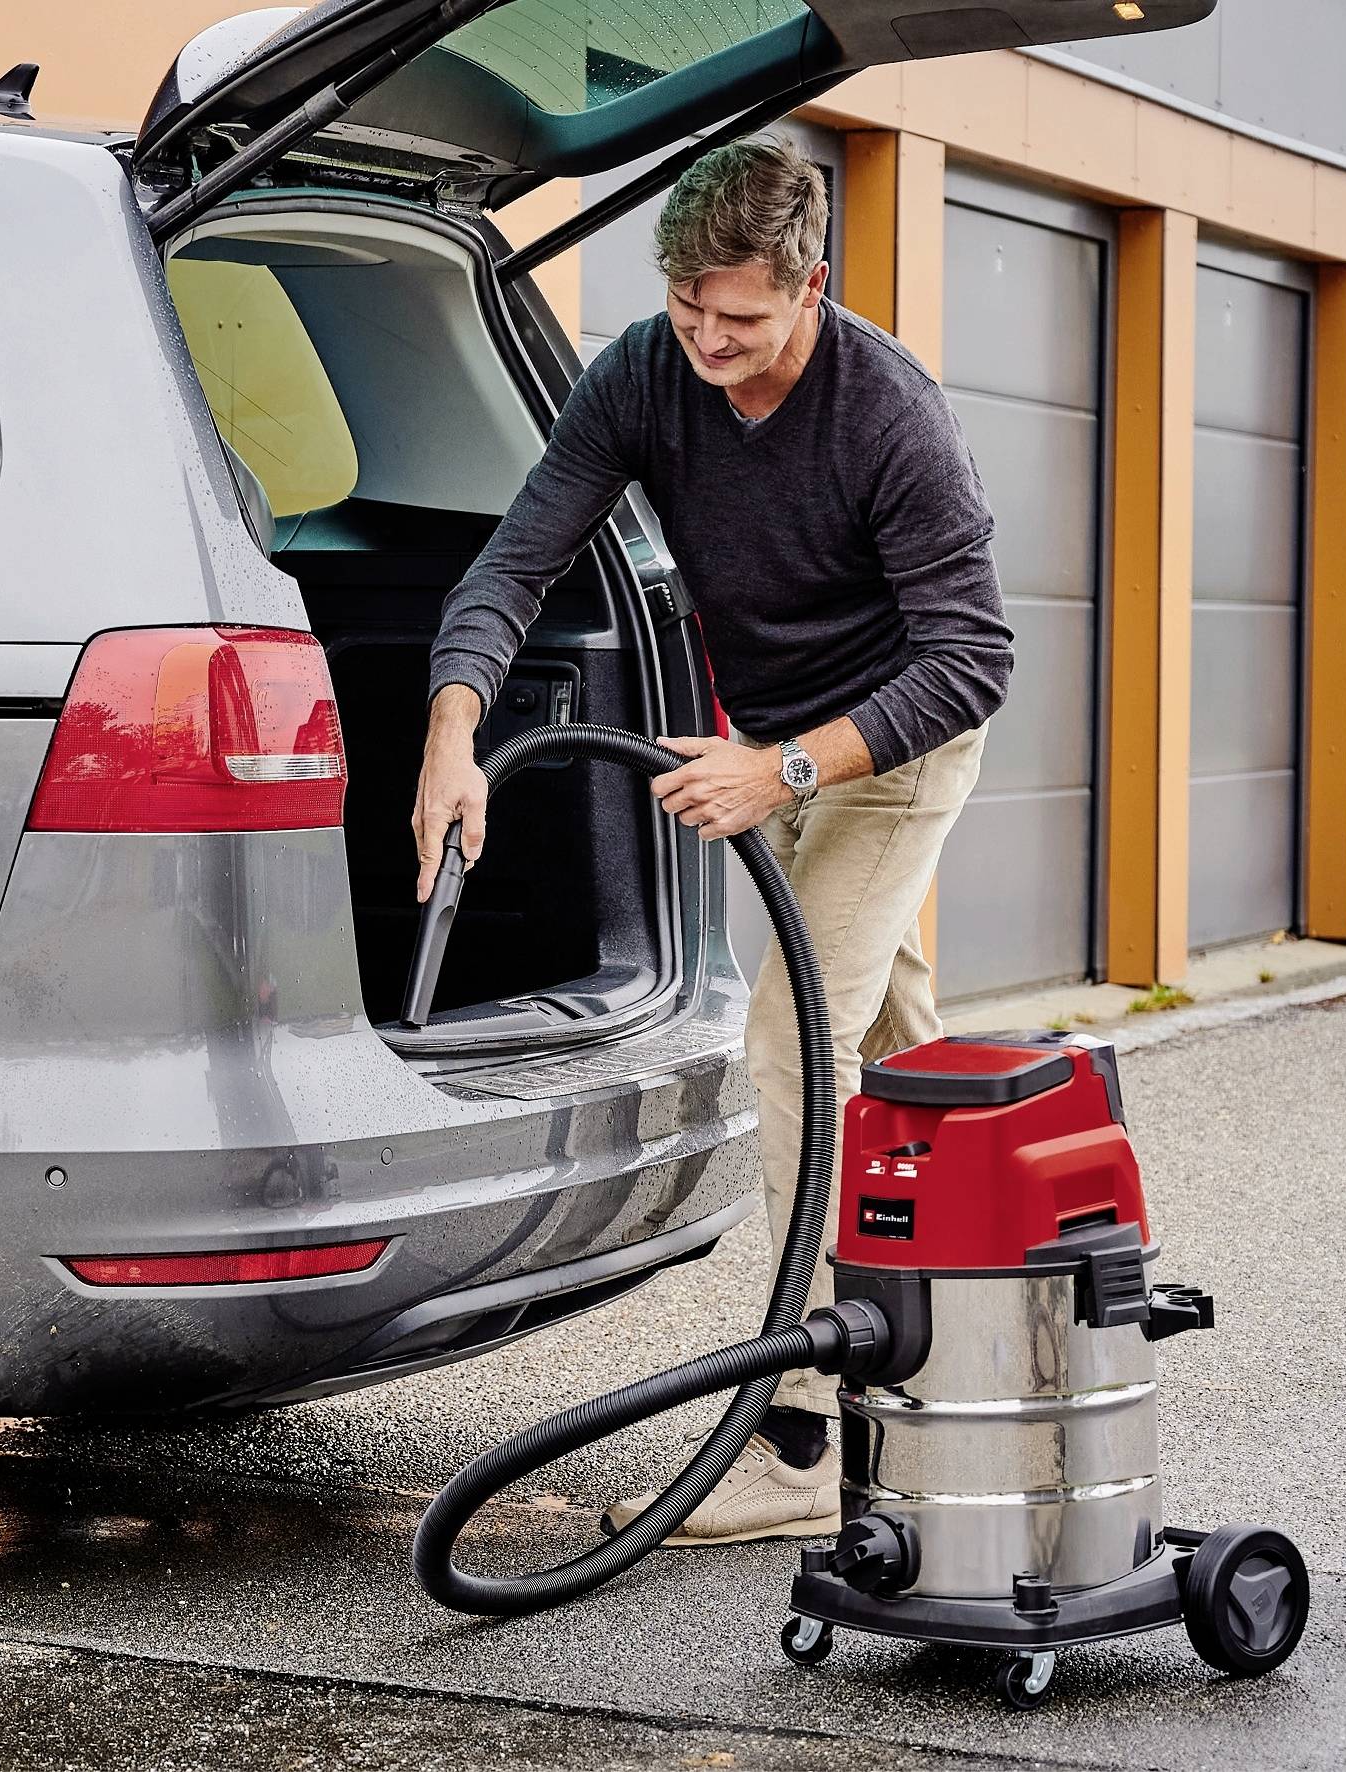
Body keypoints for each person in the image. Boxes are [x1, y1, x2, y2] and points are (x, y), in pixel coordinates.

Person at [414, 136, 1011, 1544]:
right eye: (686, 308)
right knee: (896, 1059)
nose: (707, 340)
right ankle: (959, 1332)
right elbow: (518, 558)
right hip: (773, 746)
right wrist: (452, 736)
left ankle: (801, 1441)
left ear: (813, 284)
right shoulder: (644, 369)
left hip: (890, 741)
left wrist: (784, 768)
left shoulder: (889, 416)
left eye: (737, 318)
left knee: (797, 1038)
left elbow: (971, 659)